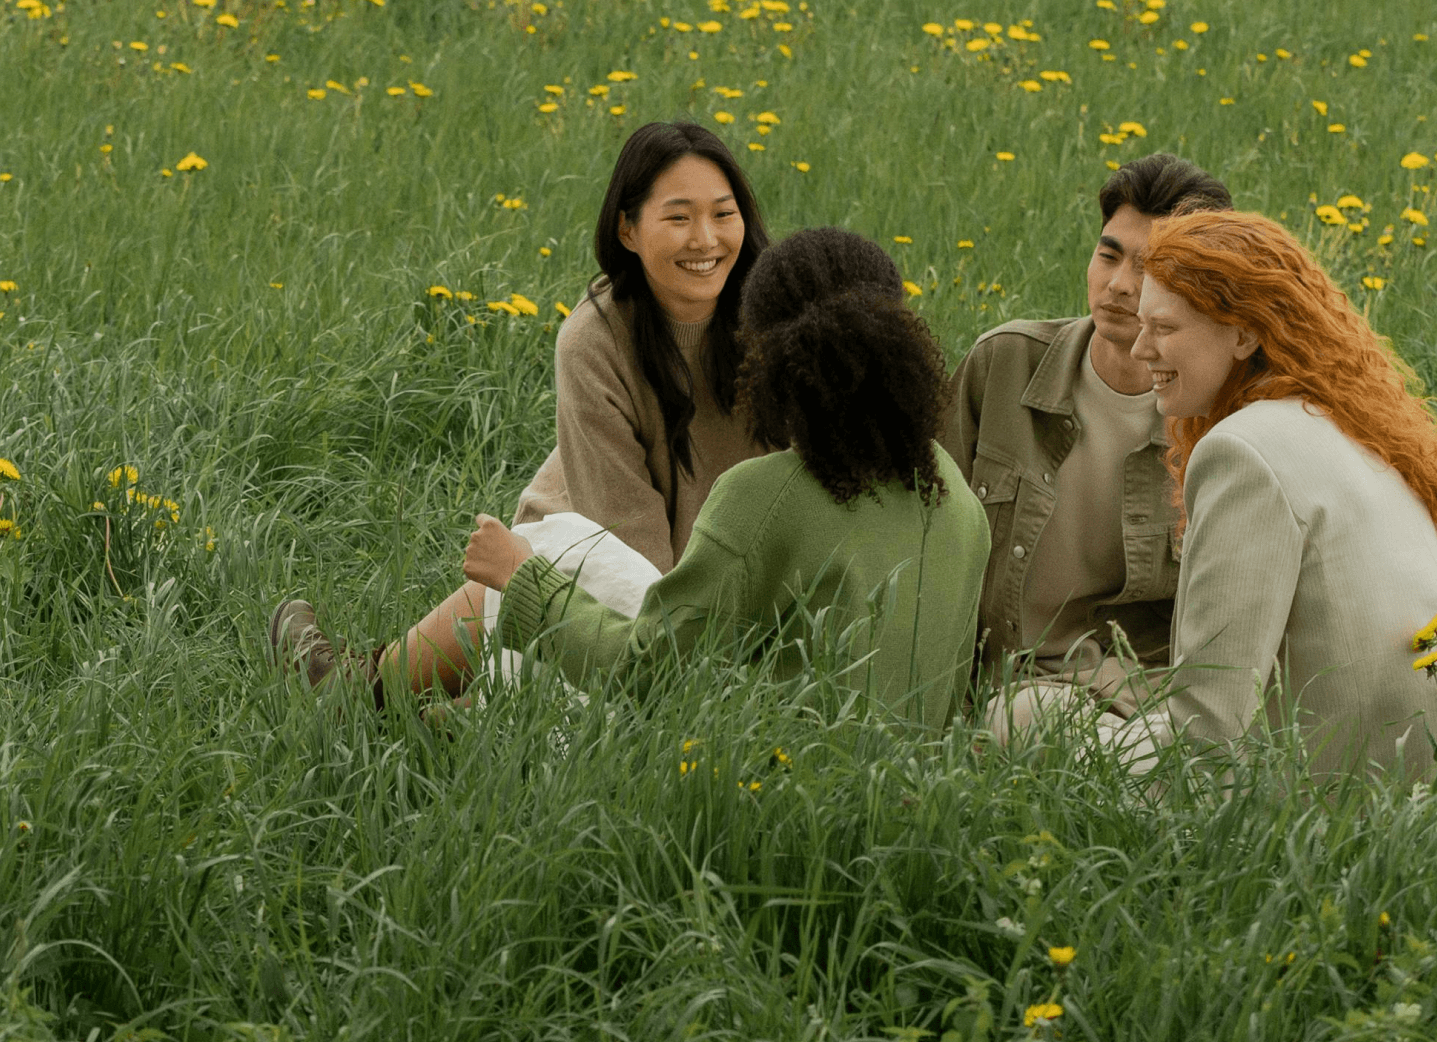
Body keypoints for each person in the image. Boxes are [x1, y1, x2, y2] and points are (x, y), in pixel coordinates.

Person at [270, 228, 991, 731]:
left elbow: (648, 671)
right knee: (566, 555)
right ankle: (432, 719)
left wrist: (520, 580)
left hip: (751, 785)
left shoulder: (767, 494)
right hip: (883, 790)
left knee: (547, 559)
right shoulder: (956, 499)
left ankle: (377, 705)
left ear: (771, 359)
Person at [1105, 209, 1437, 782]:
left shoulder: (1241, 451)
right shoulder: (1346, 422)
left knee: (1025, 716)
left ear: (1244, 334)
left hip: (1339, 790)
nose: (1139, 348)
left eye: (1165, 328)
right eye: (1141, 325)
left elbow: (1209, 727)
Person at [940, 154, 1231, 734]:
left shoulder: (1215, 421)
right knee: (1023, 719)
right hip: (1004, 683)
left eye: (1150, 268)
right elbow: (923, 532)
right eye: (1108, 255)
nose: (1120, 285)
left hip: (1141, 695)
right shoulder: (1003, 365)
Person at [512, 120, 775, 574]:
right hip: (585, 555)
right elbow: (629, 551)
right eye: (679, 218)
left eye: (723, 214)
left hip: (735, 569)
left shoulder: (782, 315)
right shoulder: (594, 343)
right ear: (627, 230)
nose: (705, 240)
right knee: (480, 604)